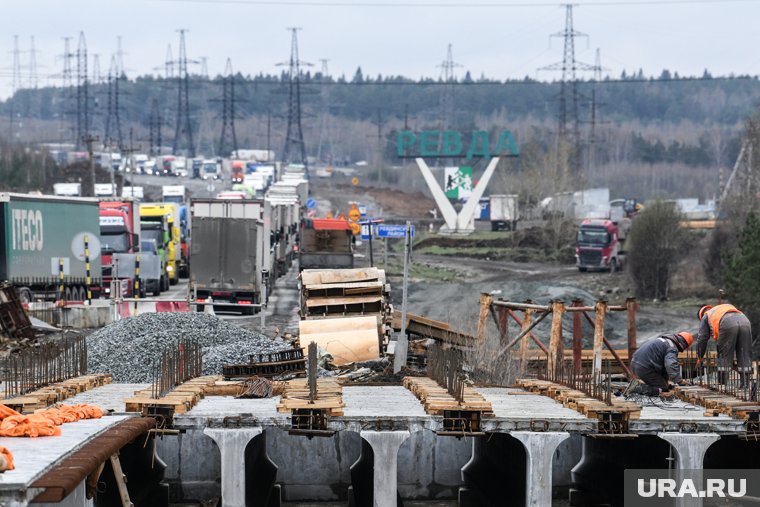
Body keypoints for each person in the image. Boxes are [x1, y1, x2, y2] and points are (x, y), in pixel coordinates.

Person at [696, 304, 752, 384]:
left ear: (701, 315)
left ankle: (722, 384)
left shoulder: (706, 316)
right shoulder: (719, 309)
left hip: (727, 323)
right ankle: (745, 384)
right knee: (744, 352)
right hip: (745, 321)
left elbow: (702, 339)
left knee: (724, 354)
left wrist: (699, 357)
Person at [629, 332, 693, 396]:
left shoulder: (665, 341)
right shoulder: (672, 347)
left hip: (636, 363)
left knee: (664, 385)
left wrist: (665, 382)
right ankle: (637, 388)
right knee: (662, 388)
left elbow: (663, 367)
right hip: (644, 366)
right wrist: (679, 381)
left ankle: (639, 387)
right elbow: (670, 365)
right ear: (684, 344)